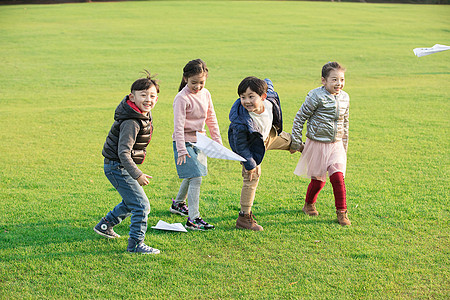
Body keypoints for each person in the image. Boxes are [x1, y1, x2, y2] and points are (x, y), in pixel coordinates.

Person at [93, 70, 161, 254]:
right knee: (141, 205)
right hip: (117, 167)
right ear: (132, 96)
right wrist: (137, 174)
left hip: (119, 166)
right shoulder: (132, 120)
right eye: (143, 95)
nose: (149, 99)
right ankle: (136, 244)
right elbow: (123, 152)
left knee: (132, 201)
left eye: (152, 96)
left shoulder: (142, 113)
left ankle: (105, 226)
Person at [228, 76, 293, 231]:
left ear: (263, 97)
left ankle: (304, 148)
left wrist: (267, 80)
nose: (246, 101)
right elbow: (241, 146)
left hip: (268, 136)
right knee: (252, 175)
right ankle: (244, 217)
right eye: (242, 97)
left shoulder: (270, 99)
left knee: (293, 142)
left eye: (251, 97)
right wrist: (249, 164)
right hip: (250, 147)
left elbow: (269, 87)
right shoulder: (240, 122)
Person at [291, 61, 351, 226]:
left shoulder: (345, 97)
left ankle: (342, 212)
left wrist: (344, 146)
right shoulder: (315, 96)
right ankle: (309, 204)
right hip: (317, 143)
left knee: (337, 177)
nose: (338, 83)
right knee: (318, 181)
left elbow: (345, 123)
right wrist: (296, 141)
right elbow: (300, 118)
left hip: (336, 144)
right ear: (324, 81)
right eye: (334, 80)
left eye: (341, 79)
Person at [170, 59, 222, 230]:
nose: (198, 86)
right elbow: (178, 126)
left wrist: (217, 141)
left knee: (192, 175)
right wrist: (182, 149)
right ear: (185, 79)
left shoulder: (206, 94)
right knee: (197, 178)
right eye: (194, 83)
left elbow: (211, 118)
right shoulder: (181, 98)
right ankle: (194, 219)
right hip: (184, 141)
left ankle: (177, 204)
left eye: (201, 82)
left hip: (200, 141)